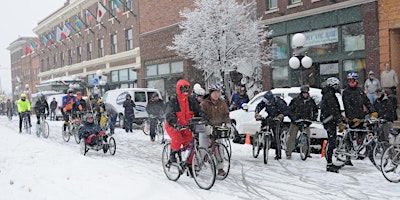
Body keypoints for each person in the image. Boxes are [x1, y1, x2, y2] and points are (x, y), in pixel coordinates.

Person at [165, 79, 206, 167]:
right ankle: (172, 155)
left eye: (187, 89)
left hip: (186, 126)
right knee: (177, 139)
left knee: (190, 143)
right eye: (183, 89)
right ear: (178, 89)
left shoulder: (191, 100)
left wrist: (204, 116)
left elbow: (198, 110)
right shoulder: (173, 101)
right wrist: (175, 123)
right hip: (173, 126)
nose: (185, 91)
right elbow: (169, 114)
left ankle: (190, 165)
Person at [342, 72, 377, 166]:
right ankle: (348, 157)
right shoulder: (346, 92)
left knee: (363, 133)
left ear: (356, 81)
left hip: (361, 116)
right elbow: (347, 106)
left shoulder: (360, 91)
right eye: (349, 80)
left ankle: (358, 149)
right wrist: (352, 118)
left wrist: (373, 111)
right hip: (352, 118)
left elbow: (367, 102)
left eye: (352, 80)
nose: (350, 82)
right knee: (350, 136)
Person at [200, 83, 231, 176]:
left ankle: (220, 168)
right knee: (203, 147)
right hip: (204, 127)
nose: (216, 94)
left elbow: (226, 114)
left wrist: (227, 123)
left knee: (219, 147)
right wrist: (206, 125)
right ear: (210, 93)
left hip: (216, 128)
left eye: (218, 92)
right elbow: (201, 116)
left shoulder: (222, 102)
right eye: (214, 93)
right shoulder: (204, 103)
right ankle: (197, 164)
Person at [254, 90, 291, 160]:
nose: (266, 103)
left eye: (267, 101)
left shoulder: (278, 102)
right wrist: (257, 112)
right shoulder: (265, 101)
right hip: (269, 117)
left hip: (277, 119)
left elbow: (287, 110)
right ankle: (260, 140)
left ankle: (278, 154)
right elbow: (259, 106)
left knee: (276, 136)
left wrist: (281, 115)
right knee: (263, 125)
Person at [285, 85, 318, 159]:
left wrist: (313, 118)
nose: (305, 94)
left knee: (307, 137)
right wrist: (294, 118)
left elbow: (315, 110)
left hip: (306, 121)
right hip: (296, 121)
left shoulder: (311, 101)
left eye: (306, 93)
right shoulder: (296, 100)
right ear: (301, 93)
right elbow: (290, 111)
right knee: (292, 137)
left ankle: (307, 152)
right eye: (304, 93)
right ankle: (288, 152)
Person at [320, 77, 344, 173]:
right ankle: (329, 164)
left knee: (332, 140)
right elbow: (333, 109)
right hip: (329, 121)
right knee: (332, 141)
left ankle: (330, 163)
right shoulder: (330, 95)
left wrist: (341, 117)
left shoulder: (328, 94)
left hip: (329, 120)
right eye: (336, 86)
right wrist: (339, 121)